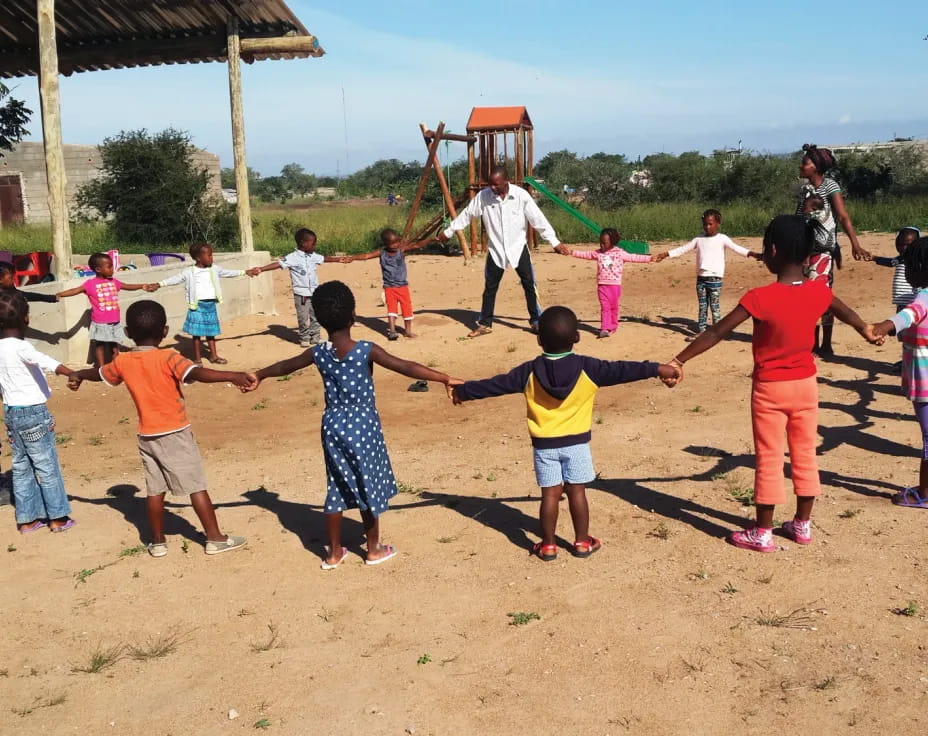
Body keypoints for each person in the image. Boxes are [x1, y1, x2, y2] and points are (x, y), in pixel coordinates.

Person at [671, 215, 878, 552]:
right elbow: (844, 311)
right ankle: (802, 525)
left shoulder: (760, 297)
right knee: (805, 454)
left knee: (769, 457)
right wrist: (865, 329)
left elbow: (716, 332)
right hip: (806, 386)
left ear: (773, 251)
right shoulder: (818, 290)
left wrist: (679, 360)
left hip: (770, 389)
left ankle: (762, 532)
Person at [246, 280, 461, 569]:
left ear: (320, 320)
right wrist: (443, 377)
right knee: (367, 482)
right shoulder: (366, 350)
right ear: (353, 315)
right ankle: (373, 549)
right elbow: (405, 366)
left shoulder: (318, 353)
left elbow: (286, 365)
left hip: (332, 424)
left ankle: (334, 553)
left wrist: (259, 374)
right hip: (363, 425)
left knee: (336, 483)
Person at [451, 305, 680, 561]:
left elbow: (496, 384)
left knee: (550, 495)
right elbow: (624, 369)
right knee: (576, 492)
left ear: (539, 340)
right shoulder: (590, 368)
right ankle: (582, 542)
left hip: (544, 446)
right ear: (577, 337)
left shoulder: (528, 371)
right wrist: (659, 369)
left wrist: (464, 391)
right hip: (577, 445)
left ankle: (548, 546)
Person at [68, 300, 252, 556]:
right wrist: (232, 376)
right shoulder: (168, 357)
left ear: (127, 332)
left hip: (147, 436)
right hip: (175, 433)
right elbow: (196, 373)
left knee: (155, 491)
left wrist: (78, 374)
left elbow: (99, 373)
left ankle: (157, 542)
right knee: (196, 486)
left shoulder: (123, 361)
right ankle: (215, 538)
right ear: (165, 331)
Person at [437, 165, 568, 337]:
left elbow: (538, 220)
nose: (492, 187)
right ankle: (485, 323)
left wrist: (554, 242)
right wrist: (448, 231)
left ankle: (536, 321)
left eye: (496, 184)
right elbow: (467, 215)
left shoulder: (521, 196)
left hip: (518, 247)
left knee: (529, 284)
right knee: (490, 288)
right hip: (496, 249)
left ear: (506, 181)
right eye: (490, 184)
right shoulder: (483, 197)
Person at [0, 291, 78, 533]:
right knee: (46, 466)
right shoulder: (22, 347)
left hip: (12, 413)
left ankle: (27, 520)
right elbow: (46, 361)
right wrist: (71, 373)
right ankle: (58, 518)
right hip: (34, 413)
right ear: (26, 319)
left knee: (21, 467)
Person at [795, 143, 872, 355]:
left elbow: (842, 216)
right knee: (807, 296)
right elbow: (798, 218)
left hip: (823, 251)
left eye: (804, 163)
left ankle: (826, 344)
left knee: (822, 296)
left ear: (816, 167)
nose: (801, 166)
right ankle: (813, 343)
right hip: (805, 251)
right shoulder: (804, 190)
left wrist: (855, 244)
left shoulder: (830, 186)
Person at [870, 236, 928, 508]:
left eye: (909, 266)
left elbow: (910, 314)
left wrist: (884, 327)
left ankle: (924, 494)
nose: (905, 272)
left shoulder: (924, 296)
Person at [654, 209, 759, 339]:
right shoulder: (699, 239)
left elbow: (738, 249)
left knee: (715, 306)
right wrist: (665, 254)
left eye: (710, 224)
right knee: (703, 306)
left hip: (715, 279)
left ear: (718, 223)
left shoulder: (722, 239)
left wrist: (754, 254)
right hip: (701, 279)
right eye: (705, 224)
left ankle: (718, 332)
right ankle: (702, 332)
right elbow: (683, 249)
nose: (707, 227)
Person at [147, 242, 254, 364]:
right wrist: (159, 284)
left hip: (210, 306)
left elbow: (228, 272)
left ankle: (214, 356)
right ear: (198, 258)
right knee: (196, 334)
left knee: (211, 332)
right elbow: (175, 279)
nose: (212, 258)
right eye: (209, 255)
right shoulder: (189, 272)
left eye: (211, 255)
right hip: (197, 306)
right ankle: (197, 359)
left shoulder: (214, 269)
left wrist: (245, 272)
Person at [247, 229, 347, 347]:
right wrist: (261, 269)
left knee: (317, 315)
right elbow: (278, 264)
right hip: (301, 294)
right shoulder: (292, 257)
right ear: (303, 243)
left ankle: (315, 337)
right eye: (312, 243)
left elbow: (324, 258)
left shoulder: (312, 256)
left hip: (315, 292)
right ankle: (305, 338)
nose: (314, 246)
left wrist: (338, 259)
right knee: (303, 317)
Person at [56, 252, 149, 366]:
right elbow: (75, 290)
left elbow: (127, 286)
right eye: (109, 267)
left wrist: (141, 286)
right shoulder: (90, 284)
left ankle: (116, 365)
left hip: (114, 321)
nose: (112, 270)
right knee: (100, 345)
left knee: (114, 345)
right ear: (98, 269)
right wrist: (60, 294)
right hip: (100, 322)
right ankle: (101, 368)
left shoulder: (114, 282)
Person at [559, 228, 653, 338]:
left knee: (614, 307)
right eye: (600, 242)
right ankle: (604, 328)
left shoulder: (620, 253)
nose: (602, 245)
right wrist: (571, 252)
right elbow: (586, 254)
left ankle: (613, 326)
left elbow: (634, 257)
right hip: (602, 285)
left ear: (612, 242)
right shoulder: (598, 253)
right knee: (605, 307)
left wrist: (650, 258)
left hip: (615, 286)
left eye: (605, 243)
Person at [344, 228, 431, 340]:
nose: (396, 245)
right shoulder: (381, 253)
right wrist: (353, 258)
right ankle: (392, 331)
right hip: (389, 288)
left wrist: (432, 240)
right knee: (392, 310)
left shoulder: (401, 250)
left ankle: (408, 331)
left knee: (407, 309)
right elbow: (366, 256)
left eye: (397, 242)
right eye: (392, 243)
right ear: (385, 244)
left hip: (402, 287)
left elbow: (417, 245)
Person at [874, 227, 921, 372]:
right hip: (901, 304)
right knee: (904, 336)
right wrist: (874, 258)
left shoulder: (919, 261)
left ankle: (913, 362)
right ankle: (907, 360)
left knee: (913, 335)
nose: (904, 248)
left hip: (914, 305)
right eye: (901, 244)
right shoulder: (900, 260)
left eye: (908, 244)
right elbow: (889, 262)